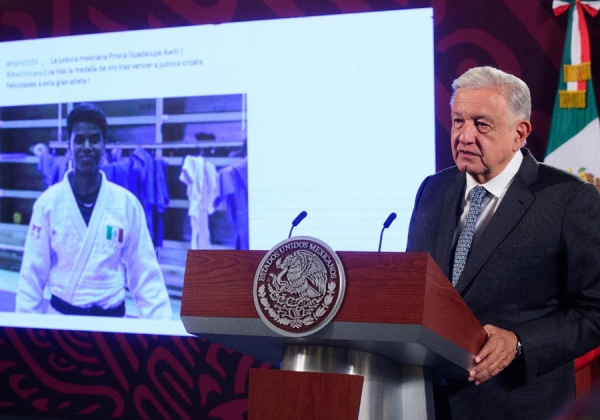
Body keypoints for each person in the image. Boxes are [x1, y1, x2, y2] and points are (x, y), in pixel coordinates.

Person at [406, 66, 600, 419]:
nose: (464, 136)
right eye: (458, 121)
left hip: (517, 406)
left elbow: (594, 312)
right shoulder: (432, 191)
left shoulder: (569, 201)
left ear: (519, 133)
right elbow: (416, 290)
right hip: (426, 403)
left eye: (481, 124)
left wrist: (520, 343)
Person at [16, 103, 172, 319]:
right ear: (69, 146)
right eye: (79, 139)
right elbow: (32, 272)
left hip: (111, 325)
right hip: (62, 321)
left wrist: (160, 329)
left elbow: (144, 271)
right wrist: (25, 330)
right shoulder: (48, 203)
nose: (87, 146)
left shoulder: (126, 203)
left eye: (94, 139)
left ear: (104, 145)